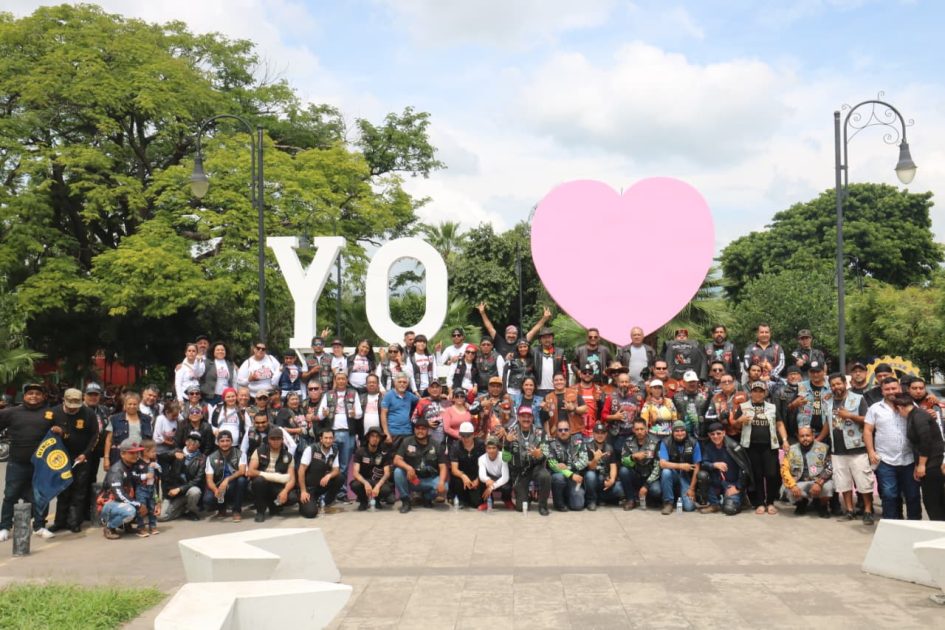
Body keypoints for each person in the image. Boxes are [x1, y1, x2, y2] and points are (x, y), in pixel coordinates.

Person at [0, 384, 56, 541]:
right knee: (10, 495)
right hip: (17, 463)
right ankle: (4, 527)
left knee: (40, 496)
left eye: (38, 393)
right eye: (30, 393)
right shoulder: (11, 412)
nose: (34, 396)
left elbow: (61, 431)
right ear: (24, 396)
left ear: (43, 396)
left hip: (41, 464)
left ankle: (39, 526)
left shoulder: (50, 413)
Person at [864, 378, 921, 520]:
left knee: (913, 495)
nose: (891, 392)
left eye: (894, 388)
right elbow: (868, 431)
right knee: (889, 495)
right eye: (887, 389)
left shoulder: (911, 405)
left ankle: (915, 525)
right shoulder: (875, 408)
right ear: (882, 391)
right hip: (885, 460)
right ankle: (892, 525)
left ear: (900, 389)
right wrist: (871, 451)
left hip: (909, 460)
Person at [823, 372, 874, 524]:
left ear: (845, 384)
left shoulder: (858, 399)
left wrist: (849, 415)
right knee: (843, 483)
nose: (836, 387)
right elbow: (827, 423)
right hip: (837, 450)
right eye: (832, 385)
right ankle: (849, 510)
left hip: (857, 449)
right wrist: (819, 439)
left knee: (864, 482)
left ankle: (868, 510)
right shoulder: (828, 402)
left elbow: (867, 420)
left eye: (838, 383)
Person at [48, 388, 99, 533]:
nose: (72, 409)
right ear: (64, 400)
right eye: (69, 406)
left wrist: (85, 454)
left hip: (81, 458)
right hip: (60, 458)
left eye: (75, 406)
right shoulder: (54, 412)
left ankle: (75, 521)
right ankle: (60, 521)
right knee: (63, 489)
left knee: (79, 490)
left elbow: (95, 436)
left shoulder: (88, 413)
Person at [736, 381, 782, 515]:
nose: (757, 393)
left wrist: (784, 440)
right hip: (751, 446)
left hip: (770, 445)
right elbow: (735, 427)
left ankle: (771, 502)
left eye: (760, 391)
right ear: (750, 393)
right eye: (755, 391)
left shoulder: (772, 407)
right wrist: (740, 420)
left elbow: (779, 424)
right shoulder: (743, 406)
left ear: (765, 393)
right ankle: (760, 502)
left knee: (772, 474)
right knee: (757, 475)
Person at [899, 394, 945, 521]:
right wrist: (917, 465)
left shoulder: (918, 416)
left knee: (933, 501)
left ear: (900, 408)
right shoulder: (914, 415)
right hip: (929, 461)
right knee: (935, 499)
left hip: (933, 462)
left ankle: (939, 532)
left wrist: (922, 464)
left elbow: (925, 441)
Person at [318, 371, 362, 500]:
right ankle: (326, 491)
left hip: (348, 433)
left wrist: (355, 414)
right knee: (328, 464)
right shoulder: (328, 394)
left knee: (344, 465)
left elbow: (359, 413)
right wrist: (324, 414)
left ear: (347, 380)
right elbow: (320, 414)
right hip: (332, 434)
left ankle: (341, 493)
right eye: (339, 379)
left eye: (343, 378)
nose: (341, 381)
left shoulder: (353, 393)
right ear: (335, 380)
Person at [393, 417, 448, 513]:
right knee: (398, 472)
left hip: (429, 479)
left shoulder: (436, 445)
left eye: (423, 429)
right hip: (412, 479)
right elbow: (396, 460)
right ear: (414, 430)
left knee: (445, 486)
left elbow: (443, 466)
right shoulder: (407, 441)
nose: (420, 431)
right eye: (418, 428)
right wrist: (408, 467)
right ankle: (406, 501)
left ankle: (427, 498)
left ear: (428, 430)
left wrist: (442, 482)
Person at [504, 407, 551, 515]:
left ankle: (543, 506)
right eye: (523, 416)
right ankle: (527, 496)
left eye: (528, 416)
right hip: (520, 471)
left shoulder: (540, 432)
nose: (526, 419)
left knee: (546, 476)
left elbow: (546, 454)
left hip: (536, 468)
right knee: (521, 508)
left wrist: (540, 455)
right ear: (518, 418)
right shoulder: (511, 432)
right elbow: (505, 458)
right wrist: (507, 443)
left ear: (532, 418)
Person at [698, 422, 751, 515]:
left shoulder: (734, 446)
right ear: (709, 435)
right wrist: (714, 465)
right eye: (712, 434)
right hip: (717, 482)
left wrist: (738, 487)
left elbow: (744, 469)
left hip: (732, 484)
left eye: (718, 433)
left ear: (724, 433)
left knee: (729, 509)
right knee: (702, 475)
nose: (715, 436)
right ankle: (714, 504)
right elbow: (704, 463)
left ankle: (741, 498)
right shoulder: (708, 447)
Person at [781, 426, 834, 518]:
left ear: (813, 436)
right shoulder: (790, 450)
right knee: (789, 489)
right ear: (798, 437)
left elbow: (830, 467)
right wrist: (792, 485)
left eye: (807, 435)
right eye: (802, 436)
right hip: (799, 481)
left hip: (818, 481)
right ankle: (802, 503)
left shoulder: (824, 448)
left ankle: (823, 506)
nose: (805, 438)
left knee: (828, 487)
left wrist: (819, 483)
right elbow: (784, 469)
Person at [246, 427, 297, 523]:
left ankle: (273, 505)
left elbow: (292, 479)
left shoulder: (288, 456)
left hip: (277, 486)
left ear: (282, 440)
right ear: (268, 440)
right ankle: (260, 512)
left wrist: (285, 491)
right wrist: (275, 476)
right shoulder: (259, 451)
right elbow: (250, 472)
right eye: (273, 439)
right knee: (259, 481)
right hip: (261, 484)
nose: (275, 441)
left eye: (278, 439)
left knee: (292, 498)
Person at [99, 439, 146, 540]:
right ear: (122, 454)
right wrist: (138, 504)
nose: (135, 455)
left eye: (137, 452)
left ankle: (126, 525)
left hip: (121, 501)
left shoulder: (132, 466)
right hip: (109, 504)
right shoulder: (117, 470)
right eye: (132, 453)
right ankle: (109, 527)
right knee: (131, 510)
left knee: (145, 502)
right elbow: (119, 495)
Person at [159, 431, 205, 522]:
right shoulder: (177, 451)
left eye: (196, 441)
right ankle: (182, 509)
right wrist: (172, 454)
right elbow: (160, 458)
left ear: (199, 445)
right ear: (186, 442)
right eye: (190, 440)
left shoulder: (202, 459)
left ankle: (190, 510)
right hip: (171, 490)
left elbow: (197, 480)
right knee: (161, 517)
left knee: (195, 491)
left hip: (186, 490)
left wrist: (180, 489)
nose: (192, 443)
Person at [658, 421, 702, 514]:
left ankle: (685, 496)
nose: (680, 433)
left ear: (686, 431)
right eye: (677, 431)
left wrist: (692, 489)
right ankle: (668, 503)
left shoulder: (694, 442)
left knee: (689, 507)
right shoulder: (665, 442)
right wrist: (681, 466)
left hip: (687, 477)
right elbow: (662, 464)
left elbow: (697, 466)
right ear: (672, 432)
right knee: (666, 472)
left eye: (682, 430)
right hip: (672, 474)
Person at [477, 302, 552, 357]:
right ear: (505, 334)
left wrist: (544, 318)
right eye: (509, 333)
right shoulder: (499, 341)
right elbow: (489, 328)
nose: (511, 335)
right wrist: (482, 313)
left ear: (517, 335)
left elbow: (533, 331)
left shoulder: (521, 343)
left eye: (514, 333)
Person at [298, 429, 343, 518]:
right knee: (311, 513)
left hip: (321, 485)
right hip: (308, 488)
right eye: (326, 438)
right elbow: (301, 470)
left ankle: (325, 501)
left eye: (331, 438)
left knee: (340, 477)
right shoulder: (311, 449)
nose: (328, 440)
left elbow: (336, 469)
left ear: (333, 439)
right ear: (321, 439)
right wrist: (303, 491)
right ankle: (303, 503)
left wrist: (329, 476)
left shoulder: (335, 450)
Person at [619, 419, 662, 510]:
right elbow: (623, 461)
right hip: (636, 475)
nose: (639, 432)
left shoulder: (655, 442)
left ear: (646, 429)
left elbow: (658, 467)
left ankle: (649, 498)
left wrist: (646, 485)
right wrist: (632, 457)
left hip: (651, 477)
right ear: (633, 430)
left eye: (642, 429)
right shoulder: (628, 442)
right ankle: (631, 500)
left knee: (656, 491)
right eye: (637, 429)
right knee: (623, 470)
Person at [204, 430, 247, 521]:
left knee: (242, 480)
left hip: (233, 484)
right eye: (222, 441)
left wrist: (227, 480)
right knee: (208, 499)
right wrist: (216, 490)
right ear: (218, 442)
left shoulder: (240, 454)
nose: (225, 443)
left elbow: (242, 471)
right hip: (218, 485)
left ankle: (236, 511)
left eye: (228, 440)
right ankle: (221, 508)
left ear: (232, 442)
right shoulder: (211, 457)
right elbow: (209, 480)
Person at [545, 420, 587, 511]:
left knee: (578, 505)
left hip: (576, 478)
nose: (563, 432)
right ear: (557, 432)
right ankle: (559, 504)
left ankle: (569, 497)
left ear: (570, 430)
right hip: (561, 476)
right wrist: (570, 474)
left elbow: (584, 460)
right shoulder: (551, 444)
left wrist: (568, 467)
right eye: (560, 430)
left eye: (565, 429)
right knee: (558, 477)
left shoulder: (579, 442)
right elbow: (553, 465)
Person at [104, 391, 153, 470]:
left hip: (140, 458)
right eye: (129, 404)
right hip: (119, 457)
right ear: (125, 405)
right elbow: (108, 440)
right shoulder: (114, 419)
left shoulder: (147, 419)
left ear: (138, 405)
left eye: (135, 404)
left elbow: (150, 442)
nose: (132, 406)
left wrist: (152, 458)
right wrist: (106, 458)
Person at [351, 426, 393, 510]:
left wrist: (378, 485)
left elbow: (387, 473)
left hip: (377, 481)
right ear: (368, 438)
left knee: (388, 492)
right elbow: (355, 473)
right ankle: (363, 501)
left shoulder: (384, 452)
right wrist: (365, 483)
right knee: (355, 485)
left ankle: (377, 500)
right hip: (364, 481)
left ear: (380, 439)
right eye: (373, 436)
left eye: (377, 436)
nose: (375, 438)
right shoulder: (360, 451)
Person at [601, 369, 642, 455]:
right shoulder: (611, 397)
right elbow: (603, 416)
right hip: (616, 435)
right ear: (618, 383)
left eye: (626, 382)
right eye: (622, 382)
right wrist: (614, 417)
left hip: (632, 435)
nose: (624, 384)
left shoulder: (636, 398)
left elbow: (641, 415)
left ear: (629, 383)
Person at [583, 422, 624, 510]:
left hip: (605, 479)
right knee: (590, 476)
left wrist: (612, 480)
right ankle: (592, 501)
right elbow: (590, 468)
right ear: (593, 434)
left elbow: (613, 466)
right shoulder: (587, 447)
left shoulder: (610, 448)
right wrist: (595, 459)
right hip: (593, 479)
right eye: (597, 433)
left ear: (606, 434)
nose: (600, 435)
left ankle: (601, 498)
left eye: (602, 433)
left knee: (620, 488)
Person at [449, 422, 484, 510]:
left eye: (468, 436)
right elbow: (454, 469)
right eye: (463, 436)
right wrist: (463, 476)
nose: (465, 438)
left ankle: (468, 497)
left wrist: (478, 479)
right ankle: (459, 497)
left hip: (476, 475)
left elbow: (486, 466)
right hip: (461, 476)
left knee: (476, 503)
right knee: (456, 479)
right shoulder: (455, 446)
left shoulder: (481, 445)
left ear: (473, 435)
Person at [381, 373, 419, 451]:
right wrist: (386, 433)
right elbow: (383, 414)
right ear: (395, 383)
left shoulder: (409, 395)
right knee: (393, 458)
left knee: (407, 457)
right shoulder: (389, 395)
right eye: (400, 382)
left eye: (404, 382)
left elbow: (421, 401)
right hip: (393, 433)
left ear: (407, 384)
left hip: (407, 432)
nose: (402, 384)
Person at [131, 439, 161, 536]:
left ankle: (152, 526)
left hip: (152, 488)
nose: (155, 453)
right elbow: (133, 476)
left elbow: (160, 473)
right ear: (145, 452)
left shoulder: (154, 462)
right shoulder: (138, 463)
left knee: (152, 507)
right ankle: (141, 527)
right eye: (153, 451)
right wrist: (144, 476)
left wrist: (157, 467)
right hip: (141, 489)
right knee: (142, 508)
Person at [532, 327, 568, 398]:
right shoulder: (534, 351)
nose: (547, 340)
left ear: (552, 338)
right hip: (538, 389)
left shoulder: (560, 352)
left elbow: (565, 371)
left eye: (549, 337)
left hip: (556, 388)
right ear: (540, 340)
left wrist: (566, 387)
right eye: (544, 337)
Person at [478, 437, 511, 510]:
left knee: (507, 487)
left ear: (498, 448)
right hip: (490, 478)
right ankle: (488, 501)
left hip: (501, 478)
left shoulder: (503, 456)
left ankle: (507, 499)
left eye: (494, 448)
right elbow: (482, 475)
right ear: (485, 449)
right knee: (481, 481)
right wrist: (487, 480)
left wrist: (492, 487)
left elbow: (505, 478)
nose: (491, 450)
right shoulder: (481, 458)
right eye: (489, 448)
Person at [673, 371, 708, 439]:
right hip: (683, 434)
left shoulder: (705, 397)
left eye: (694, 381)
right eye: (689, 382)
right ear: (683, 382)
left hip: (702, 433)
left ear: (697, 382)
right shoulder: (676, 397)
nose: (692, 384)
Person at [200, 342, 237, 406]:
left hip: (226, 397)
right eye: (218, 350)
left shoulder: (230, 364)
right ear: (213, 352)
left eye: (222, 350)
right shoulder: (206, 362)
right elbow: (198, 374)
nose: (220, 351)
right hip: (210, 397)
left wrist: (235, 394)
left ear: (226, 352)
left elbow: (234, 381)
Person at [573, 364, 604, 438]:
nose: (587, 375)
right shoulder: (572, 390)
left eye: (590, 373)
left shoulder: (599, 390)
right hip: (577, 429)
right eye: (584, 373)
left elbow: (604, 409)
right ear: (580, 375)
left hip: (594, 430)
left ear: (593, 375)